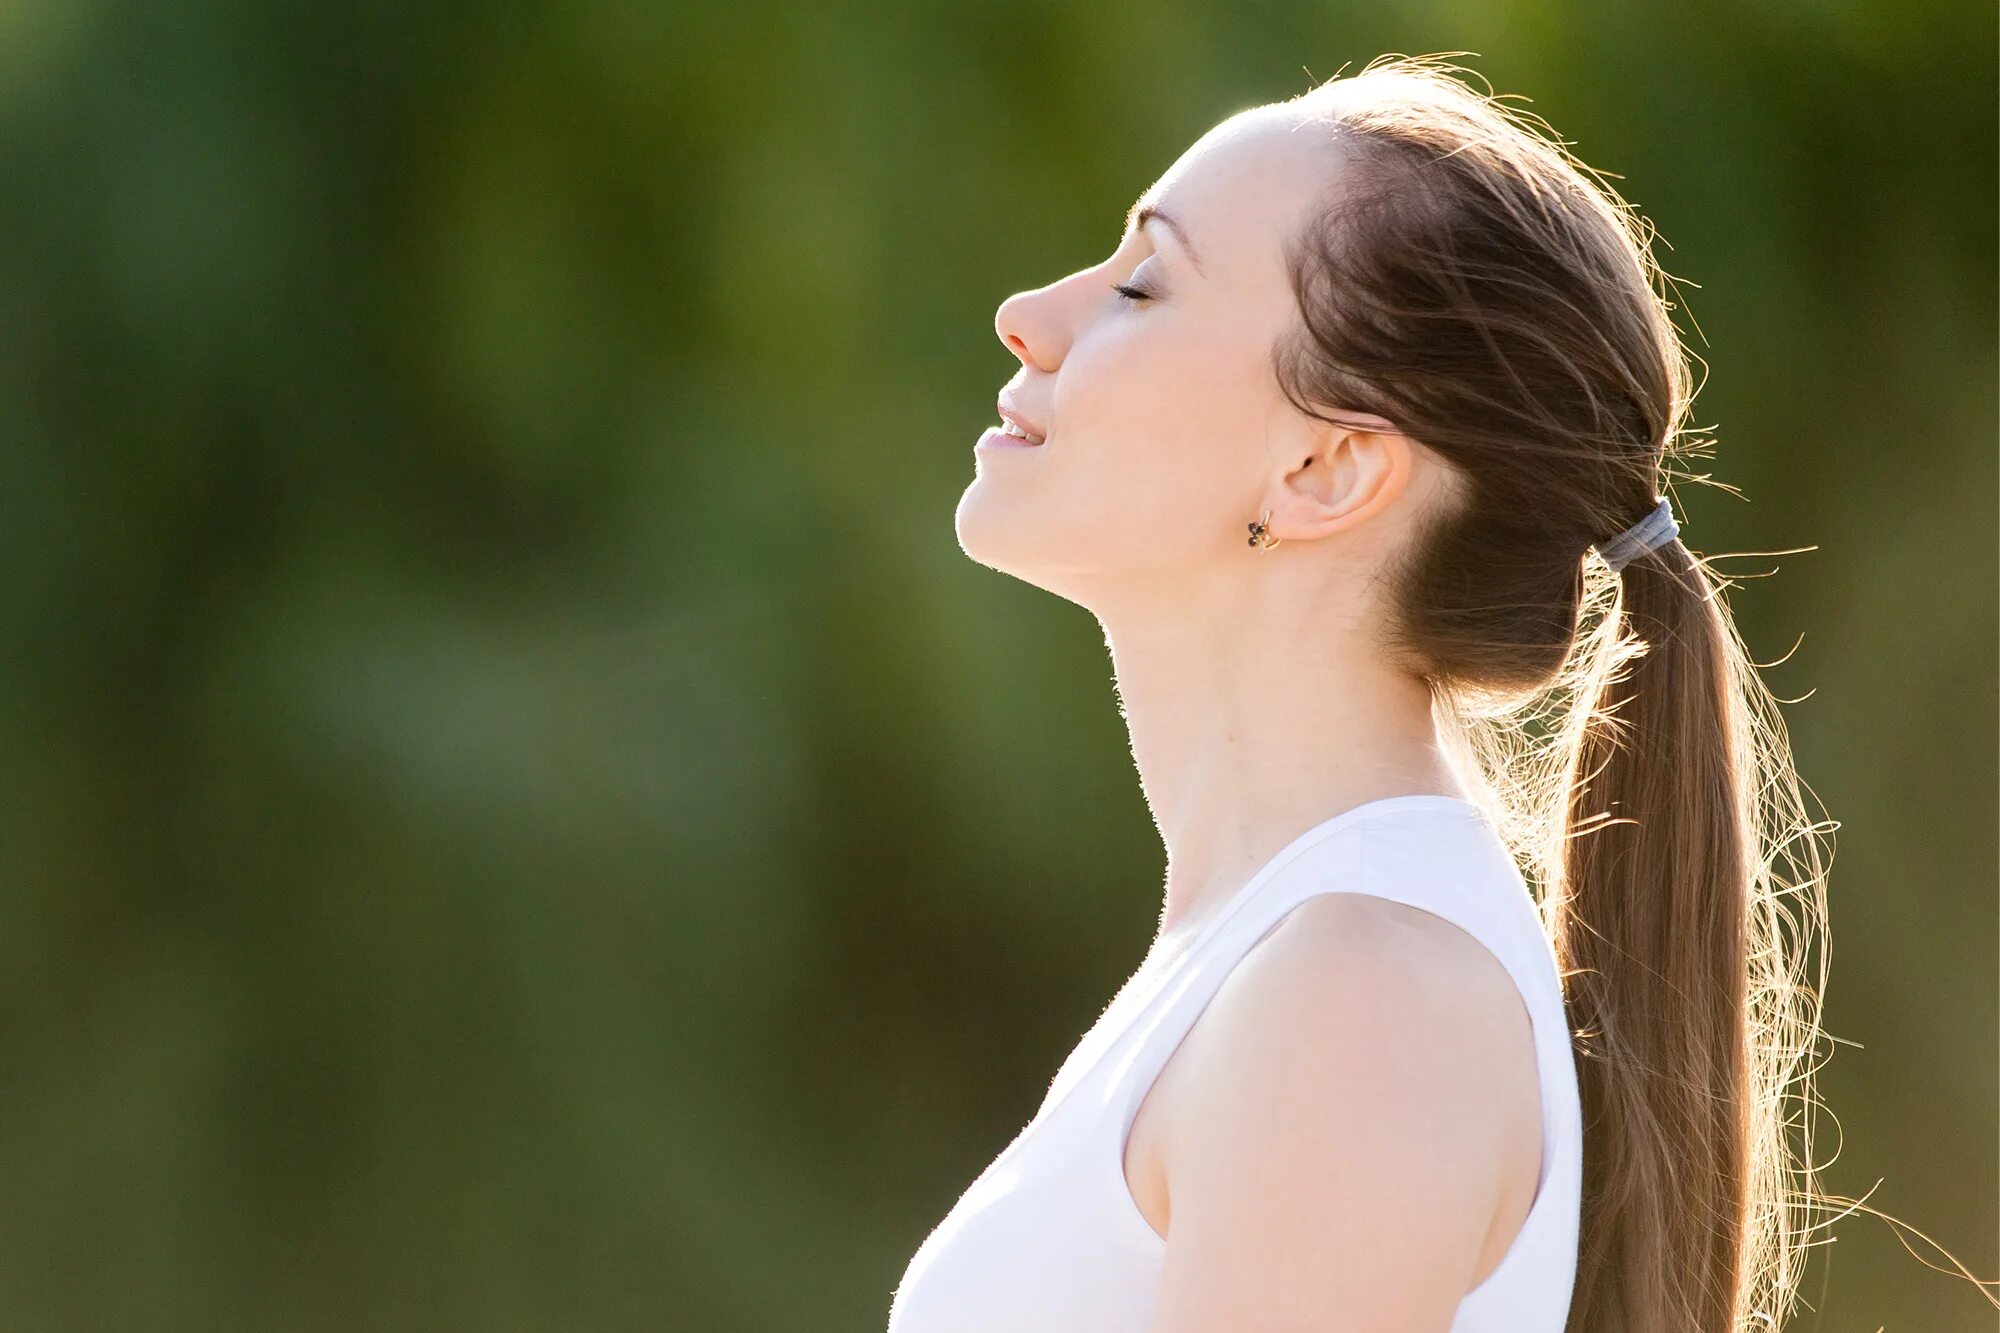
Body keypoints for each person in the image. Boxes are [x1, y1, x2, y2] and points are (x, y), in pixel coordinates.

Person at [889, 54, 1832, 1333]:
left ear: (1326, 468)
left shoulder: (1358, 996)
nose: (1027, 313)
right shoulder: (1290, 964)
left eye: (1141, 283)